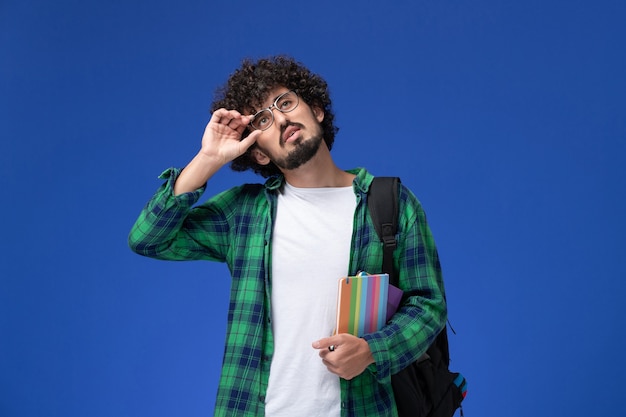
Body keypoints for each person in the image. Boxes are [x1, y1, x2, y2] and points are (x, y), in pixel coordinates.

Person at [128, 55, 447, 417]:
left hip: (362, 407)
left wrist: (373, 350)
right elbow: (148, 238)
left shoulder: (390, 203)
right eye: (263, 119)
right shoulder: (243, 213)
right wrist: (208, 158)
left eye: (285, 102)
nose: (280, 118)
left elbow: (428, 305)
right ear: (258, 153)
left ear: (317, 110)